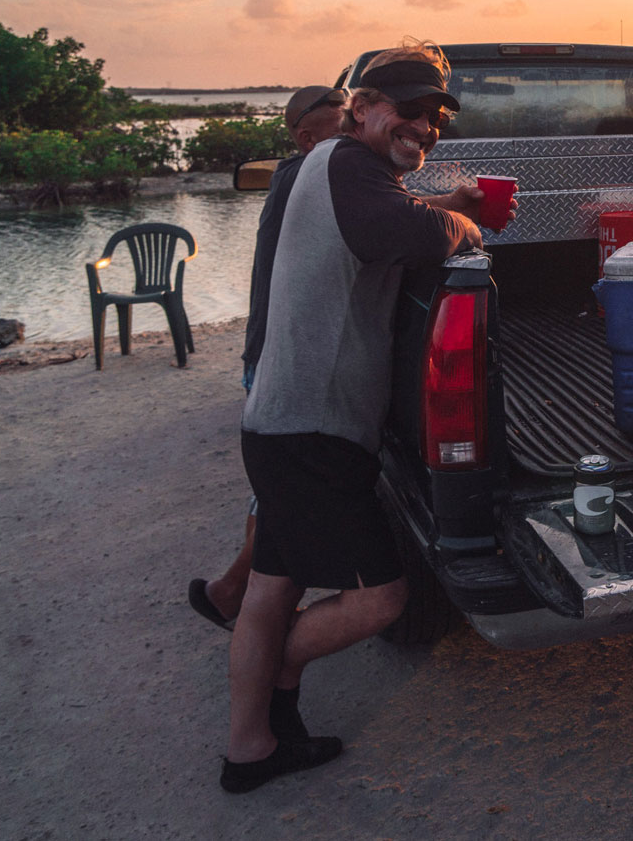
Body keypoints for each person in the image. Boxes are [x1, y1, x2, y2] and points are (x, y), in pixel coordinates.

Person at [220, 40, 487, 792]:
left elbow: (391, 214)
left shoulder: (328, 166)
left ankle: (251, 745)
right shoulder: (351, 167)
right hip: (316, 432)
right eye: (409, 110)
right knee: (382, 596)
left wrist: (443, 205)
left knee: (273, 586)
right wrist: (464, 224)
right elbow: (415, 233)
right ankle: (282, 671)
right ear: (361, 107)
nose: (426, 128)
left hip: (278, 419)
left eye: (437, 117)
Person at [188, 85, 347, 632]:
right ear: (306, 139)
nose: (352, 136)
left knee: (280, 487)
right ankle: (240, 594)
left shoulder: (312, 172)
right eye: (341, 127)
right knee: (283, 489)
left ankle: (233, 592)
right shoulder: (303, 177)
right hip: (278, 354)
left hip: (281, 348)